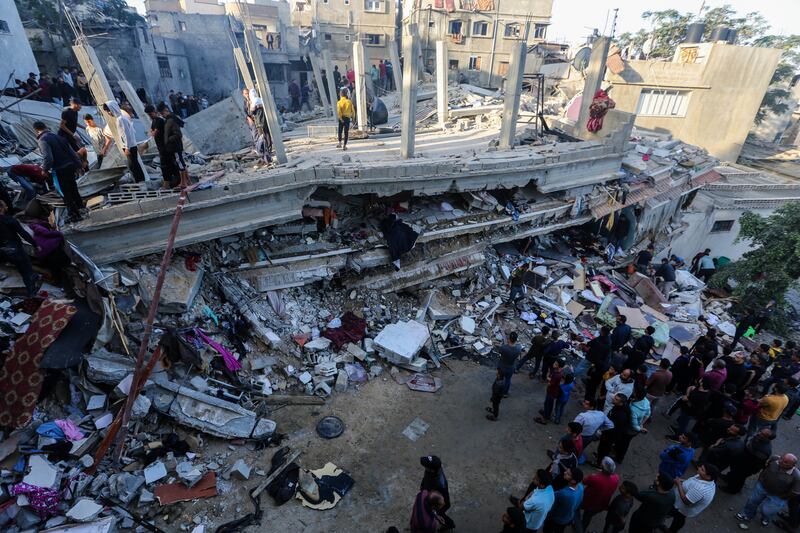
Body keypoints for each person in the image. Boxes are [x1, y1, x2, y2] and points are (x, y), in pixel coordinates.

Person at [34, 121, 83, 223]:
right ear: (45, 126)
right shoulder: (58, 137)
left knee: (65, 193)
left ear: (37, 130)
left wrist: (45, 170)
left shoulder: (43, 140)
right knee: (73, 188)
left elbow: (48, 158)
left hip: (60, 169)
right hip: (70, 166)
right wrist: (78, 165)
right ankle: (81, 208)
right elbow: (72, 152)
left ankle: (74, 215)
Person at [737, 454, 800, 529]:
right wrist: (760, 479)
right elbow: (766, 466)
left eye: (785, 462)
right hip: (762, 487)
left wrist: (783, 497)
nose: (780, 461)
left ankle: (766, 518)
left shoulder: (797, 476)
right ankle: (747, 514)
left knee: (767, 511)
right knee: (752, 501)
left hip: (777, 496)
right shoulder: (775, 459)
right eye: (781, 459)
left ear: (792, 465)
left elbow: (795, 492)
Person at [0, 201, 38, 295]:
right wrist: (35, 244)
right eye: (5, 206)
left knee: (21, 267)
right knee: (26, 270)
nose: (7, 207)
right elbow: (23, 234)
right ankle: (32, 292)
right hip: (14, 249)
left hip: (3, 250)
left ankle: (33, 277)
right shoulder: (9, 220)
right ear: (0, 208)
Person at [722, 428, 777, 494]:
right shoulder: (758, 437)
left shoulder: (764, 450)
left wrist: (745, 469)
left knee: (739, 477)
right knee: (734, 471)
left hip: (747, 467)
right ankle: (729, 478)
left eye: (763, 434)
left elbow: (755, 463)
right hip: (742, 460)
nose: (759, 433)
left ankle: (733, 489)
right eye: (761, 432)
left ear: (767, 438)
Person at [103, 101, 145, 183]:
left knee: (133, 165)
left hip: (129, 146)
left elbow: (126, 134)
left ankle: (140, 181)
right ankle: (140, 181)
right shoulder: (121, 118)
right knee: (134, 164)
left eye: (109, 110)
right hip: (130, 145)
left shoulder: (120, 119)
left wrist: (127, 148)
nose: (108, 113)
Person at [668, 463, 718, 532]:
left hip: (682, 508)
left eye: (702, 469)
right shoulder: (704, 478)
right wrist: (681, 480)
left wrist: (679, 484)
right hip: (680, 503)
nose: (699, 468)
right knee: (677, 518)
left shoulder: (700, 489)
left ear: (708, 476)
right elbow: (691, 480)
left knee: (677, 517)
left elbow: (686, 501)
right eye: (701, 467)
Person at [578, 457, 619, 532]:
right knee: (588, 515)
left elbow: (584, 482)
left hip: (589, 500)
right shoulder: (616, 478)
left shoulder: (594, 478)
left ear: (602, 467)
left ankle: (580, 528)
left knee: (582, 513)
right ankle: (583, 527)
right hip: (602, 504)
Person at [157, 102, 188, 188]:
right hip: (174, 147)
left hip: (176, 146)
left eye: (162, 113)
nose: (162, 115)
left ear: (166, 111)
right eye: (161, 114)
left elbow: (178, 134)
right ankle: (186, 181)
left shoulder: (171, 120)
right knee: (181, 163)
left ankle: (184, 182)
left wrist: (168, 140)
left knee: (181, 164)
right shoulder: (169, 120)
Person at [615, 387, 650, 464]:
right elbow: (648, 414)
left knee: (624, 443)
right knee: (625, 442)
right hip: (636, 429)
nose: (633, 392)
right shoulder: (646, 401)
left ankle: (619, 457)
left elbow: (633, 424)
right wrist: (641, 424)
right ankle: (618, 453)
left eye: (634, 391)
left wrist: (640, 428)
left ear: (636, 395)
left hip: (629, 430)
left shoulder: (633, 410)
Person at [544, 467, 584, 533]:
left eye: (568, 474)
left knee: (548, 529)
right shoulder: (580, 486)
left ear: (573, 481)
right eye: (566, 471)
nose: (565, 472)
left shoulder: (563, 494)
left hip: (557, 519)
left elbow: (552, 506)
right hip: (569, 517)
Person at [419, 455, 454, 530]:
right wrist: (422, 486)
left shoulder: (440, 483)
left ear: (432, 470)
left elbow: (441, 501)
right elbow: (426, 478)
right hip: (435, 499)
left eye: (426, 466)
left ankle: (449, 524)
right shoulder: (432, 470)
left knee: (439, 514)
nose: (425, 467)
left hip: (440, 503)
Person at [145, 104, 174, 188]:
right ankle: (168, 182)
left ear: (154, 112)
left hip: (165, 146)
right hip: (160, 147)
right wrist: (152, 132)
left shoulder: (160, 121)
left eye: (150, 114)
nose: (150, 116)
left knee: (166, 165)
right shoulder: (154, 121)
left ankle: (167, 183)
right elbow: (151, 131)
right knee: (165, 165)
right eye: (148, 115)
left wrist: (153, 132)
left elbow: (154, 133)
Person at [596, 393, 629, 465]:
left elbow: (614, 428)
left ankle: (599, 464)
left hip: (609, 436)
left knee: (604, 449)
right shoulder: (618, 408)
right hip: (608, 434)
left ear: (621, 403)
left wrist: (605, 434)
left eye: (616, 399)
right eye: (615, 398)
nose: (613, 399)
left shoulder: (620, 415)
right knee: (602, 448)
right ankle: (599, 456)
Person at [536, 358, 566, 424]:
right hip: (554, 391)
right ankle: (547, 414)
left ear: (559, 366)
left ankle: (545, 419)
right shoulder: (559, 372)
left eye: (555, 364)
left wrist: (548, 377)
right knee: (549, 403)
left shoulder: (556, 375)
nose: (553, 364)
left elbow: (550, 383)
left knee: (548, 404)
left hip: (551, 391)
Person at [497, 331, 521, 396]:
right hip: (511, 367)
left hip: (502, 366)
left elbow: (500, 352)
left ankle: (498, 391)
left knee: (500, 379)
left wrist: (505, 344)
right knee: (508, 380)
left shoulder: (504, 348)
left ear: (509, 339)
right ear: (516, 340)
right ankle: (505, 393)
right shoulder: (519, 348)